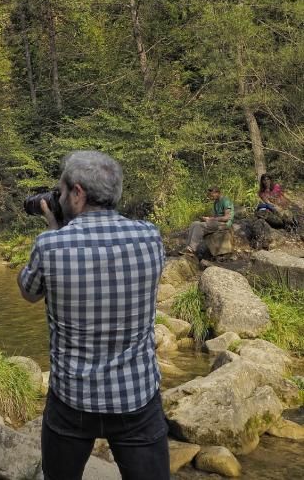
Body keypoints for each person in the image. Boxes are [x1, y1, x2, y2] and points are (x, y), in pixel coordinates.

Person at [17, 150, 169, 480]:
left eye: (59, 192)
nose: (56, 197)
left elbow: (28, 292)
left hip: (73, 399)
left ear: (78, 193)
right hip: (136, 397)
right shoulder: (150, 237)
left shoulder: (50, 245)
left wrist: (55, 229)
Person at [185, 186, 233, 256]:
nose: (211, 197)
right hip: (218, 222)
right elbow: (216, 216)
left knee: (200, 226)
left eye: (212, 195)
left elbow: (227, 218)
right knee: (194, 223)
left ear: (217, 193)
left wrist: (212, 219)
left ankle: (192, 249)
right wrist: (207, 218)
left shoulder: (225, 201)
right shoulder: (216, 203)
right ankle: (187, 247)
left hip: (225, 224)